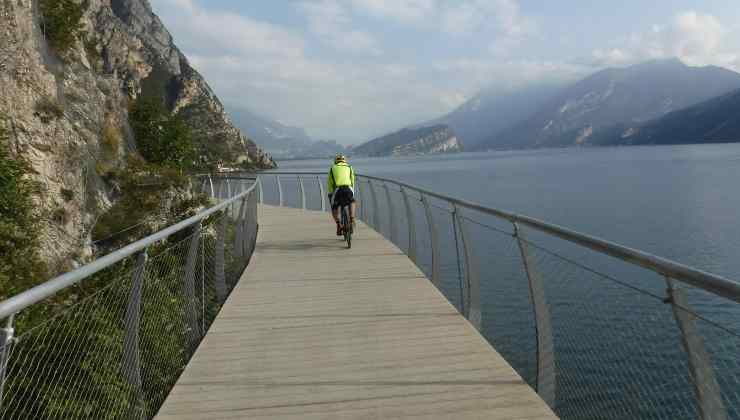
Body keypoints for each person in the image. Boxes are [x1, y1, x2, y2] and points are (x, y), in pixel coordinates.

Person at [327, 154, 356, 236]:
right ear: (344, 161)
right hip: (348, 188)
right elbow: (352, 180)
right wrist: (352, 192)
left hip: (338, 189)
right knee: (352, 201)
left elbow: (330, 183)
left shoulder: (332, 168)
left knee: (334, 207)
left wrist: (330, 194)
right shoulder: (349, 167)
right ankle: (352, 218)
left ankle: (339, 224)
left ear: (336, 161)